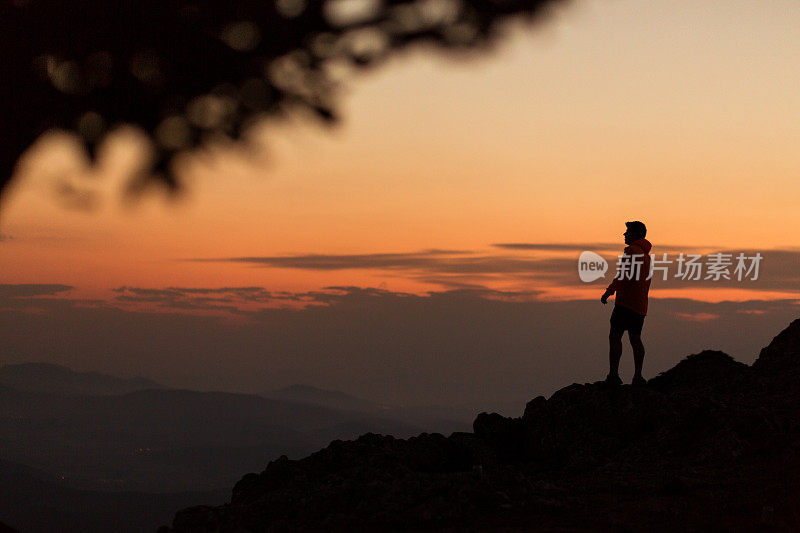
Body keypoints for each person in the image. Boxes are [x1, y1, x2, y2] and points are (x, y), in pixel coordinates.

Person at [601, 221, 652, 386]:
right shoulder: (646, 256)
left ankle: (613, 375)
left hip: (626, 303)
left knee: (615, 336)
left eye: (627, 232)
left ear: (635, 234)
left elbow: (624, 275)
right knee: (635, 338)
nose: (624, 234)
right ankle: (638, 376)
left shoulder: (631, 251)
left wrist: (609, 291)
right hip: (640, 305)